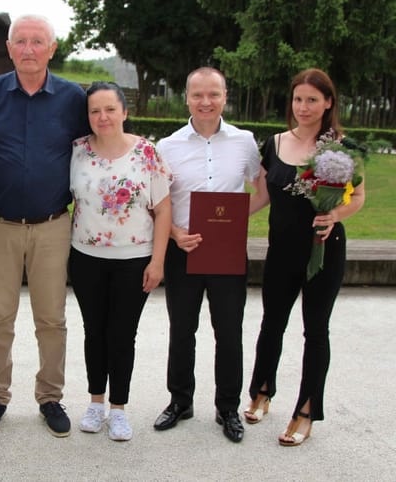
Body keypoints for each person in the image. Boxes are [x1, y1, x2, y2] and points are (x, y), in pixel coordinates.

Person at [0, 14, 90, 437]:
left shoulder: (74, 98)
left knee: (51, 319)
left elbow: (96, 148)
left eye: (39, 41)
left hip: (53, 225)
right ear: (9, 46)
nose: (30, 49)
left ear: (52, 49)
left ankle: (50, 396)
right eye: (21, 41)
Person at [244, 68, 365, 446]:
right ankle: (262, 392)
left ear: (328, 102)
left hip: (323, 252)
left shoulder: (343, 148)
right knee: (271, 324)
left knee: (316, 331)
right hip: (280, 250)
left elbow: (358, 198)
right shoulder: (275, 143)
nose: (304, 107)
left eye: (312, 99)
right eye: (298, 99)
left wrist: (335, 214)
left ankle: (306, 411)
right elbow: (262, 196)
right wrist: (222, 220)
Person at [153, 67, 261, 443]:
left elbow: (260, 188)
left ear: (225, 97)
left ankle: (228, 407)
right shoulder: (167, 146)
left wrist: (234, 221)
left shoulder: (245, 142)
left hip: (227, 253)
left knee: (229, 332)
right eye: (198, 94)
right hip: (182, 251)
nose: (205, 102)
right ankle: (180, 401)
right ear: (186, 97)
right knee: (182, 331)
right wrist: (175, 233)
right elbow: (157, 201)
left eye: (213, 94)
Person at [69, 82, 172, 441]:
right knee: (94, 332)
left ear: (124, 112)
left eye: (110, 109)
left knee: (122, 334)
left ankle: (118, 408)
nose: (103, 117)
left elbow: (163, 209)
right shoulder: (77, 151)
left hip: (134, 260)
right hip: (85, 258)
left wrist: (157, 261)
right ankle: (95, 402)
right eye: (95, 110)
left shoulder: (147, 152)